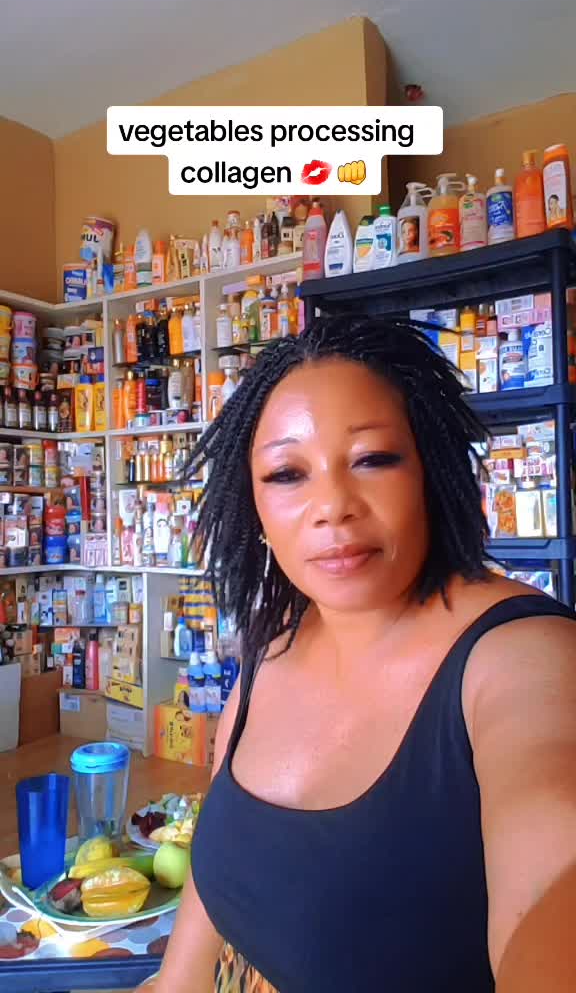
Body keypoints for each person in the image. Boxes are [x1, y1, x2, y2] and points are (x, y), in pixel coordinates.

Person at [142, 315, 576, 992]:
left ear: (430, 470)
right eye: (288, 473)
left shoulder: (525, 658)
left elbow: (554, 873)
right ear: (253, 508)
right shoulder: (269, 649)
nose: (333, 507)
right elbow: (211, 888)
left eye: (373, 459)